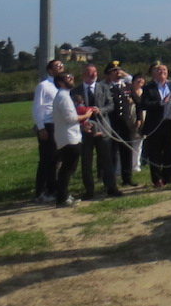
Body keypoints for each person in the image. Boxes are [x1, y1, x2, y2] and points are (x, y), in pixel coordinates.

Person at [74, 65, 121, 199]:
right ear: (83, 75)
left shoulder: (104, 88)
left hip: (103, 129)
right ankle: (89, 190)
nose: (93, 75)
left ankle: (111, 187)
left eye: (94, 72)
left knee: (107, 160)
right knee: (86, 162)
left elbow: (111, 105)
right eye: (89, 73)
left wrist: (100, 110)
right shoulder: (75, 91)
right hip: (85, 131)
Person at [51, 72, 94, 207]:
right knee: (67, 169)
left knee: (68, 168)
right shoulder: (63, 96)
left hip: (70, 135)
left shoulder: (64, 96)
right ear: (60, 82)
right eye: (68, 78)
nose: (72, 79)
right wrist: (86, 115)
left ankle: (63, 195)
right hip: (68, 137)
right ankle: (62, 197)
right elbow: (70, 118)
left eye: (71, 77)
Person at [139, 64, 171, 187]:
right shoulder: (149, 88)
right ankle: (157, 178)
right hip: (155, 125)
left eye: (164, 70)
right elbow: (144, 104)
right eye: (158, 70)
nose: (162, 72)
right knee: (155, 152)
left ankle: (169, 176)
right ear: (153, 73)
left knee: (170, 151)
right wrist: (160, 103)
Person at [31, 58, 66, 203]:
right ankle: (41, 191)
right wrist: (41, 127)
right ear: (50, 70)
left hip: (59, 125)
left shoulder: (62, 85)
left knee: (56, 159)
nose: (61, 67)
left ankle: (53, 188)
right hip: (47, 125)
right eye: (58, 66)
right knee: (46, 160)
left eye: (62, 65)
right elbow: (36, 108)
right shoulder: (44, 86)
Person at [105, 65, 139, 188]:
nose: (117, 73)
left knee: (127, 153)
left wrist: (139, 118)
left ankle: (127, 178)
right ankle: (111, 179)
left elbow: (138, 102)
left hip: (126, 124)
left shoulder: (127, 87)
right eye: (114, 71)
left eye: (118, 70)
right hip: (112, 125)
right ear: (109, 74)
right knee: (112, 154)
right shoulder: (106, 88)